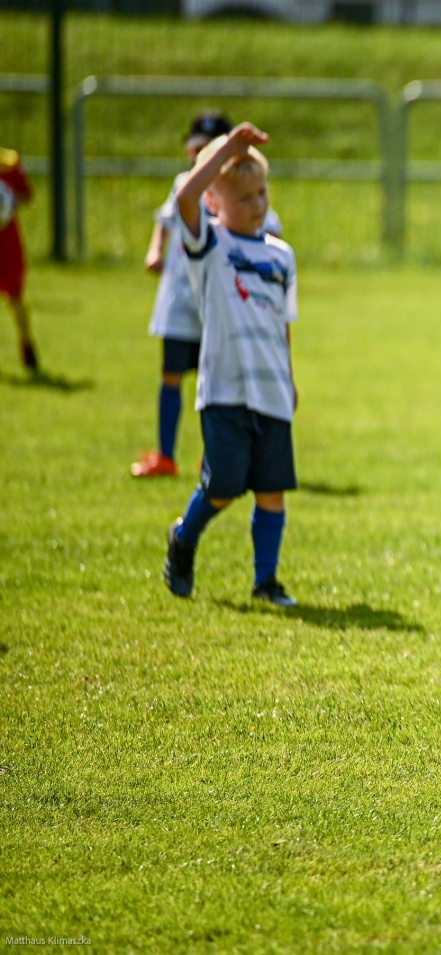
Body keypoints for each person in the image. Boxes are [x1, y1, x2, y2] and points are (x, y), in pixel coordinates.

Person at [161, 123, 300, 608]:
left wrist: (291, 377)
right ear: (217, 206)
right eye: (244, 198)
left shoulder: (282, 256)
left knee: (272, 487)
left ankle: (266, 582)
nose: (257, 204)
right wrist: (225, 150)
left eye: (261, 193)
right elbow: (185, 196)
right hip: (224, 391)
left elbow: (284, 323)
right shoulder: (211, 250)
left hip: (272, 391)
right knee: (222, 485)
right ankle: (184, 536)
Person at [133, 111, 285, 478]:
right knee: (171, 374)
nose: (196, 155)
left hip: (221, 309)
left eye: (207, 149)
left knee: (217, 383)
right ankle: (166, 455)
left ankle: (212, 456)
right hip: (181, 302)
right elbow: (168, 218)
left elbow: (272, 231)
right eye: (195, 148)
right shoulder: (185, 187)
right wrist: (155, 250)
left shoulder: (240, 193)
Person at [0, 144, 41, 376]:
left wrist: (10, 202)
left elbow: (27, 194)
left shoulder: (9, 162)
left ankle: (26, 343)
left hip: (7, 243)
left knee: (15, 296)